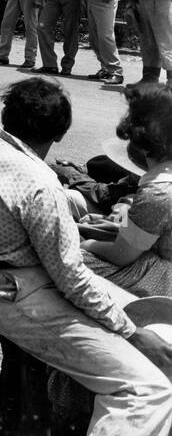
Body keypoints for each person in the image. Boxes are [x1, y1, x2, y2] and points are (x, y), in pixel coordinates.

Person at [0, 77, 172, 436]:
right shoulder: (42, 186)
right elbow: (72, 279)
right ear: (60, 134)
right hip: (14, 293)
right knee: (145, 387)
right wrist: (133, 336)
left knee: (147, 311)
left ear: (7, 114)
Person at [80, 86, 172, 297]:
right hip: (159, 257)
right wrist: (111, 224)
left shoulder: (157, 192)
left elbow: (121, 255)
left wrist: (88, 244)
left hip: (165, 278)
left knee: (67, 257)